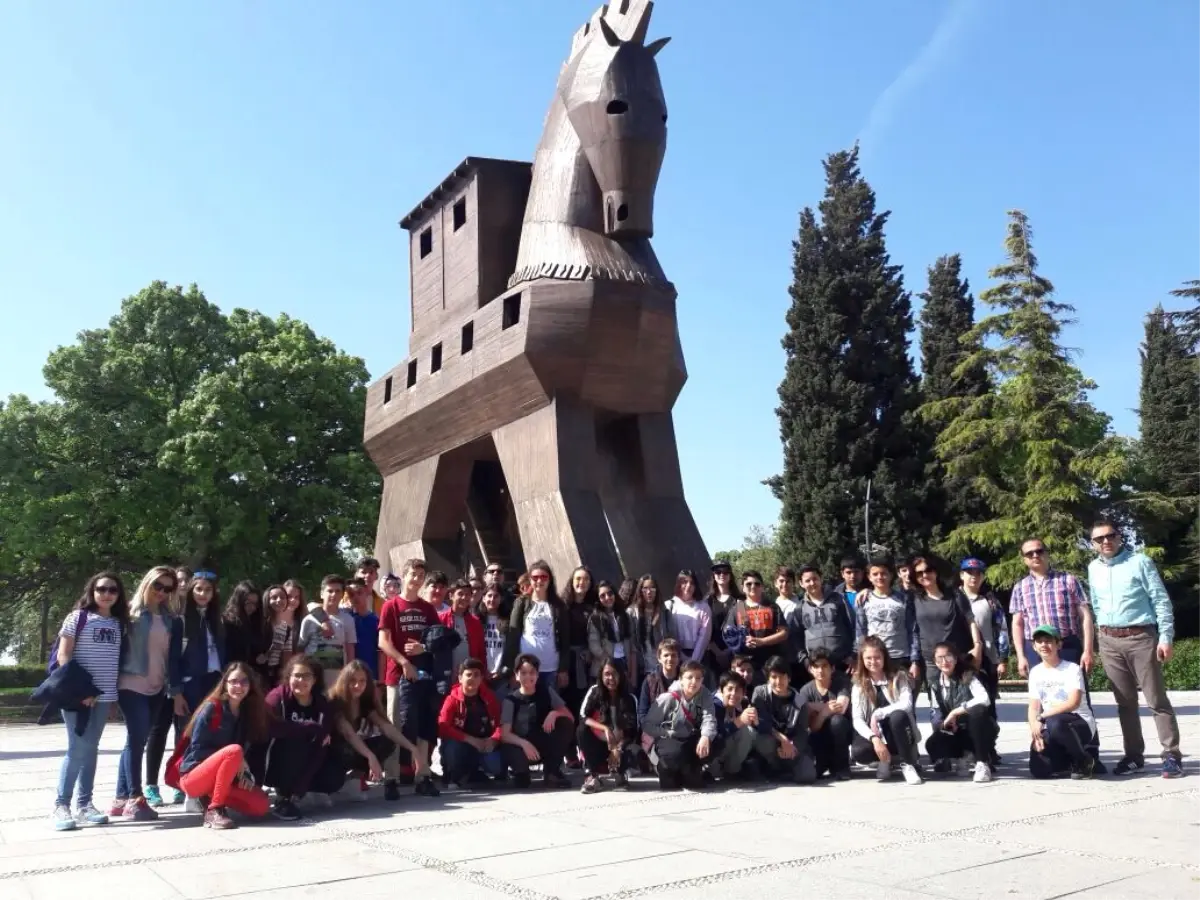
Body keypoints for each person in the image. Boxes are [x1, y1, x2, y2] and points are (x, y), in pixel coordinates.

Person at [1086, 520, 1184, 778]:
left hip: (1141, 637)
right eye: (1099, 539)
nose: (1105, 541)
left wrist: (1166, 638)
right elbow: (1095, 605)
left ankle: (1171, 755)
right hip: (1109, 640)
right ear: (1093, 544)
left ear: (1119, 537)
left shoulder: (1139, 562)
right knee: (1124, 703)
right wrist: (1099, 638)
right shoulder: (1093, 568)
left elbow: (1160, 600)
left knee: (1156, 700)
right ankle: (1133, 756)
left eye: (1110, 535)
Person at [51, 572, 128, 831]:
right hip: (78, 696)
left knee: (91, 748)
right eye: (101, 589)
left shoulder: (119, 623)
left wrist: (112, 698)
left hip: (104, 697)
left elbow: (114, 664)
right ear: (92, 591)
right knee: (77, 749)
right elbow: (64, 655)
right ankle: (61, 805)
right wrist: (80, 691)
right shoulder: (78, 618)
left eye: (112, 590)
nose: (106, 594)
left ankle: (85, 805)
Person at [112, 566, 178, 822]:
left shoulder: (171, 618)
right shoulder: (129, 613)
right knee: (137, 738)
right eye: (157, 585)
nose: (161, 592)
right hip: (131, 684)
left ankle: (119, 798)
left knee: (135, 741)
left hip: (158, 686)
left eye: (167, 588)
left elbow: (171, 657)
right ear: (147, 583)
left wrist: (174, 688)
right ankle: (135, 798)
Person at [175, 662, 271, 829]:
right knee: (234, 750)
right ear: (225, 683)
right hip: (194, 776)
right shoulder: (212, 708)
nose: (238, 686)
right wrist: (236, 758)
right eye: (233, 681)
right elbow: (197, 751)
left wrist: (245, 774)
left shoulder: (247, 711)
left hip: (225, 776)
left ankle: (210, 797)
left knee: (261, 806)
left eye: (244, 681)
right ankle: (214, 809)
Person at [377, 558, 441, 795]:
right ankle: (391, 777)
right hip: (397, 675)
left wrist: (424, 649)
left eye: (421, 575)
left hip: (423, 675)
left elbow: (437, 639)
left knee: (423, 724)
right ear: (404, 576)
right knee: (396, 725)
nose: (417, 579)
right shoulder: (391, 606)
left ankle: (422, 775)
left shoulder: (427, 608)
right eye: (413, 574)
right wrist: (404, 662)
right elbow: (383, 641)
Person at [169, 572, 227, 811]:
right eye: (199, 589)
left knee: (211, 733)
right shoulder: (181, 621)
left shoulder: (217, 620)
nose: (203, 594)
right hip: (191, 683)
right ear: (191, 592)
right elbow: (172, 659)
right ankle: (182, 785)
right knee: (187, 735)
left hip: (214, 682)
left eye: (208, 590)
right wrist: (176, 692)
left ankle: (205, 782)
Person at [263, 656, 346, 819]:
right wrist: (308, 727)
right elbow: (268, 731)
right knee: (296, 739)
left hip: (307, 759)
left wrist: (301, 787)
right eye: (297, 676)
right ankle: (283, 796)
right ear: (289, 678)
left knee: (334, 771)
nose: (301, 680)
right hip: (276, 761)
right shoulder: (277, 699)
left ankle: (300, 792)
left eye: (306, 676)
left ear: (315, 679)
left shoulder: (322, 705)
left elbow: (320, 747)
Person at [327, 660, 413, 802]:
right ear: (345, 680)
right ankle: (324, 787)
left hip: (349, 749)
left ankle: (351, 780)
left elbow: (387, 727)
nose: (357, 685)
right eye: (353, 681)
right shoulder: (335, 701)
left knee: (387, 740)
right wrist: (371, 757)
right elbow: (349, 734)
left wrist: (412, 749)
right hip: (330, 753)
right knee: (331, 782)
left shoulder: (364, 701)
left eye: (362, 681)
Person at [1010, 537, 1095, 679]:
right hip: (1035, 649)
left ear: (1047, 554)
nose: (1035, 555)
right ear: (1024, 559)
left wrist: (1088, 651)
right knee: (1041, 698)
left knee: (1076, 696)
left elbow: (1085, 617)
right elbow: (1017, 624)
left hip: (1067, 645)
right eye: (1029, 553)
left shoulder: (1069, 580)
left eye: (1039, 551)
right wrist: (1020, 656)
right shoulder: (1020, 587)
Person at [1027, 625, 1098, 780]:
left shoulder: (1072, 669)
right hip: (1051, 725)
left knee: (1056, 722)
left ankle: (1083, 759)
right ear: (1034, 646)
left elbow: (1073, 703)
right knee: (1039, 770)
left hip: (1079, 722)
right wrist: (1036, 733)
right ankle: (1066, 760)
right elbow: (1033, 707)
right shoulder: (1035, 672)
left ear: (1059, 645)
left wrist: (1042, 717)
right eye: (1039, 642)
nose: (1044, 645)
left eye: (1048, 641)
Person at [850, 636, 923, 785]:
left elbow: (907, 704)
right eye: (868, 658)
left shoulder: (899, 676)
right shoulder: (858, 683)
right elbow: (857, 718)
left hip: (900, 732)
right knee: (859, 752)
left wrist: (879, 713)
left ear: (884, 657)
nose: (873, 662)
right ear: (862, 660)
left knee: (897, 716)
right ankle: (885, 759)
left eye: (877, 657)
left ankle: (907, 763)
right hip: (877, 734)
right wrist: (874, 739)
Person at [498, 654, 574, 788]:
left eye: (532, 672)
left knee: (564, 723)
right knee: (522, 783)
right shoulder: (510, 700)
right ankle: (520, 772)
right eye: (523, 673)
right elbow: (505, 735)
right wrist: (523, 743)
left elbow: (570, 717)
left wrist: (554, 713)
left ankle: (552, 772)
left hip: (542, 744)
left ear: (538, 675)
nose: (528, 677)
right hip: (521, 747)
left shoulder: (546, 692)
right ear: (516, 675)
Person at [925, 642, 997, 783]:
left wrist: (955, 712)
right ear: (935, 661)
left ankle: (981, 762)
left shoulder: (968, 676)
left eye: (948, 657)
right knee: (932, 745)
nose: (944, 662)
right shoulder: (934, 683)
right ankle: (961, 756)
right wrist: (944, 725)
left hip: (976, 727)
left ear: (956, 659)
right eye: (939, 658)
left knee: (978, 710)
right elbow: (936, 712)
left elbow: (984, 699)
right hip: (956, 730)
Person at [641, 660, 717, 790]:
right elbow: (647, 725)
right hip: (670, 738)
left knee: (716, 742)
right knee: (673, 763)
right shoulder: (668, 698)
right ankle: (665, 770)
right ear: (681, 679)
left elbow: (709, 718)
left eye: (698, 678)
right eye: (689, 677)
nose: (694, 682)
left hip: (691, 737)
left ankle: (691, 770)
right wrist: (667, 733)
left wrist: (706, 737)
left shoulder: (705, 695)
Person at [438, 658, 506, 787]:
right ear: (460, 678)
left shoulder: (490, 697)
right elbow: (443, 727)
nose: (473, 678)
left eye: (476, 675)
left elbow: (500, 724)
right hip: (462, 744)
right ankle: (455, 776)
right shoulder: (451, 699)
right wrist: (468, 739)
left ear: (481, 678)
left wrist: (494, 740)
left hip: (484, 743)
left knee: (496, 767)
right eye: (468, 675)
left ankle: (475, 773)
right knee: (452, 747)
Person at [750, 656, 817, 783]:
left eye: (782, 676)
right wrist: (782, 739)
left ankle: (785, 770)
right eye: (774, 677)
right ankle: (770, 767)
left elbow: (802, 731)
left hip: (791, 745)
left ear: (789, 678)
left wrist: (791, 747)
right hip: (770, 739)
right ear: (768, 678)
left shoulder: (799, 700)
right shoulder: (760, 693)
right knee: (763, 741)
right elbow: (762, 722)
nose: (778, 681)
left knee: (807, 776)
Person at [854, 557, 921, 684]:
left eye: (884, 573)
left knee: (905, 699)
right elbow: (860, 632)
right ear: (869, 577)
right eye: (875, 574)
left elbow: (912, 630)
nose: (880, 577)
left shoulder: (904, 599)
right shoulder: (863, 600)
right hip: (875, 659)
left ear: (891, 575)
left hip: (901, 657)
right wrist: (860, 660)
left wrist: (915, 660)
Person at [578, 658, 638, 793]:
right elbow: (583, 717)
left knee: (633, 748)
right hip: (600, 742)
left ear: (622, 675)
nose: (611, 678)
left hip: (621, 743)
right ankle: (593, 777)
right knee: (581, 731)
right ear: (601, 675)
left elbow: (633, 730)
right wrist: (604, 728)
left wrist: (618, 749)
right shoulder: (594, 691)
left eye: (615, 674)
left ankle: (620, 775)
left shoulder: (630, 697)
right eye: (607, 674)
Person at [789, 564, 856, 675]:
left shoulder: (838, 600)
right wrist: (805, 660)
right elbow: (796, 638)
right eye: (807, 581)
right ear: (801, 583)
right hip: (817, 666)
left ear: (821, 579)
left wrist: (853, 655)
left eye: (815, 579)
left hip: (843, 663)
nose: (812, 583)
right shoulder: (799, 608)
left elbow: (854, 626)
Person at [797, 649, 852, 780]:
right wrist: (824, 711)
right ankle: (823, 763)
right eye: (816, 666)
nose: (820, 670)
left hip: (842, 732)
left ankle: (843, 767)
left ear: (832, 668)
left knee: (837, 721)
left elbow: (840, 708)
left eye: (824, 666)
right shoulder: (806, 690)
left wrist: (814, 707)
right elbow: (812, 727)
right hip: (818, 735)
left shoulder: (841, 682)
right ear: (810, 669)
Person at [300, 575, 357, 689]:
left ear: (342, 594)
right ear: (322, 594)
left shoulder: (348, 619)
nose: (333, 594)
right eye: (330, 591)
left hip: (336, 676)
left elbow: (350, 648)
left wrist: (349, 672)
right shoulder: (309, 619)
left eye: (337, 591)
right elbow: (300, 648)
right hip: (311, 675)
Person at [709, 672, 757, 781]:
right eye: (729, 689)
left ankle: (732, 770)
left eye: (738, 690)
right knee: (744, 730)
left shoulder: (742, 703)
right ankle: (719, 769)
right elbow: (715, 735)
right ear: (721, 690)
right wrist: (738, 722)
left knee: (750, 732)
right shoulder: (714, 704)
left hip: (726, 749)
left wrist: (756, 721)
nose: (733, 694)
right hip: (711, 753)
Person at [586, 580, 635, 679]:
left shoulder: (624, 615)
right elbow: (594, 644)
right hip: (605, 665)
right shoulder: (595, 618)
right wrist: (609, 662)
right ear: (598, 599)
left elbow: (631, 641)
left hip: (624, 661)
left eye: (610, 593)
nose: (607, 598)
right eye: (602, 596)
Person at [667, 569, 712, 667]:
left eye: (692, 583)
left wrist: (694, 660)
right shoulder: (669, 605)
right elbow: (670, 634)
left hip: (700, 656)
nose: (688, 586)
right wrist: (680, 656)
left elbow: (704, 636)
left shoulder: (703, 607)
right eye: (684, 582)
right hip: (676, 657)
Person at [637, 639, 681, 726]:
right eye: (666, 655)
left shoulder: (686, 680)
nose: (670, 658)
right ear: (659, 658)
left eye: (673, 655)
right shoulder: (649, 681)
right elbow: (642, 713)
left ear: (678, 658)